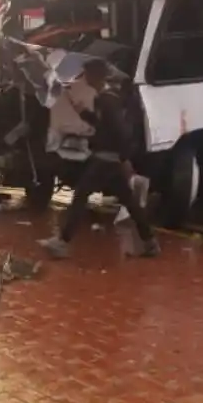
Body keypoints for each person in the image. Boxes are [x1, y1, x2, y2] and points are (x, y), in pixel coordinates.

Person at [39, 58, 159, 259]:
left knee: (80, 195)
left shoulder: (106, 99)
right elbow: (103, 124)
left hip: (105, 159)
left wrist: (123, 156)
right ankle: (150, 242)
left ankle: (62, 242)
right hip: (110, 158)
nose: (83, 78)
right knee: (129, 201)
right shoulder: (107, 97)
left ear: (96, 76)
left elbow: (118, 129)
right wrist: (82, 112)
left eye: (86, 74)